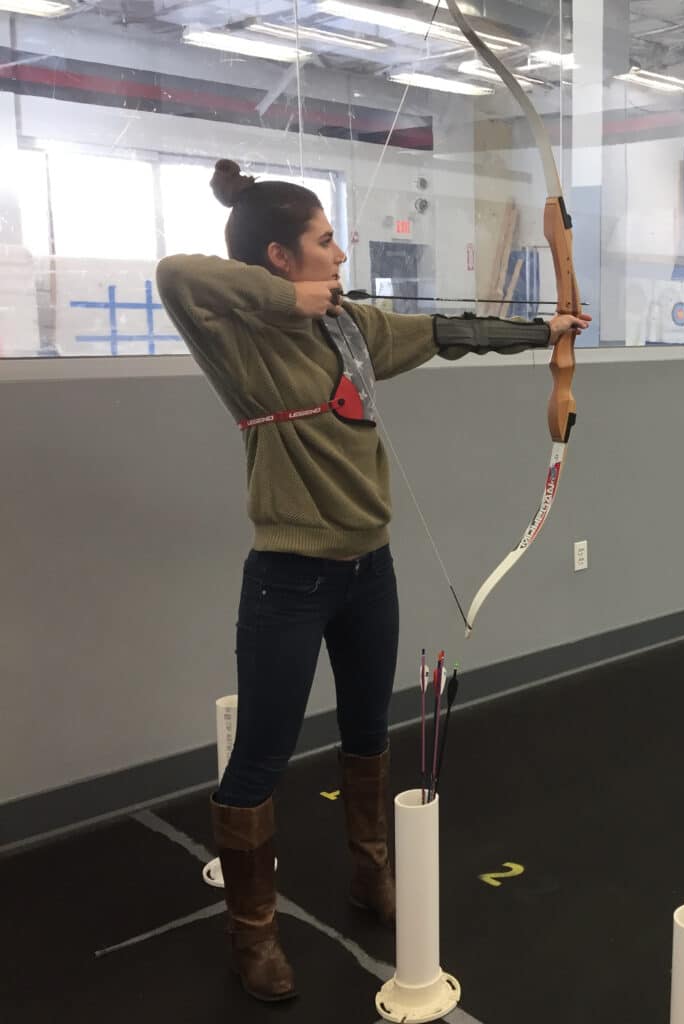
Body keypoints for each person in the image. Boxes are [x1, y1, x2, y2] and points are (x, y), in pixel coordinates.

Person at [156, 158, 590, 1003]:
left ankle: (371, 874)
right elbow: (176, 276)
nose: (341, 255)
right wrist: (284, 304)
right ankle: (254, 938)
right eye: (325, 242)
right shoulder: (241, 337)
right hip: (288, 578)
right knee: (261, 756)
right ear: (281, 259)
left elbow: (445, 333)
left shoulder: (352, 329)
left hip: (370, 570)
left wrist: (550, 331)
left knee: (368, 731)